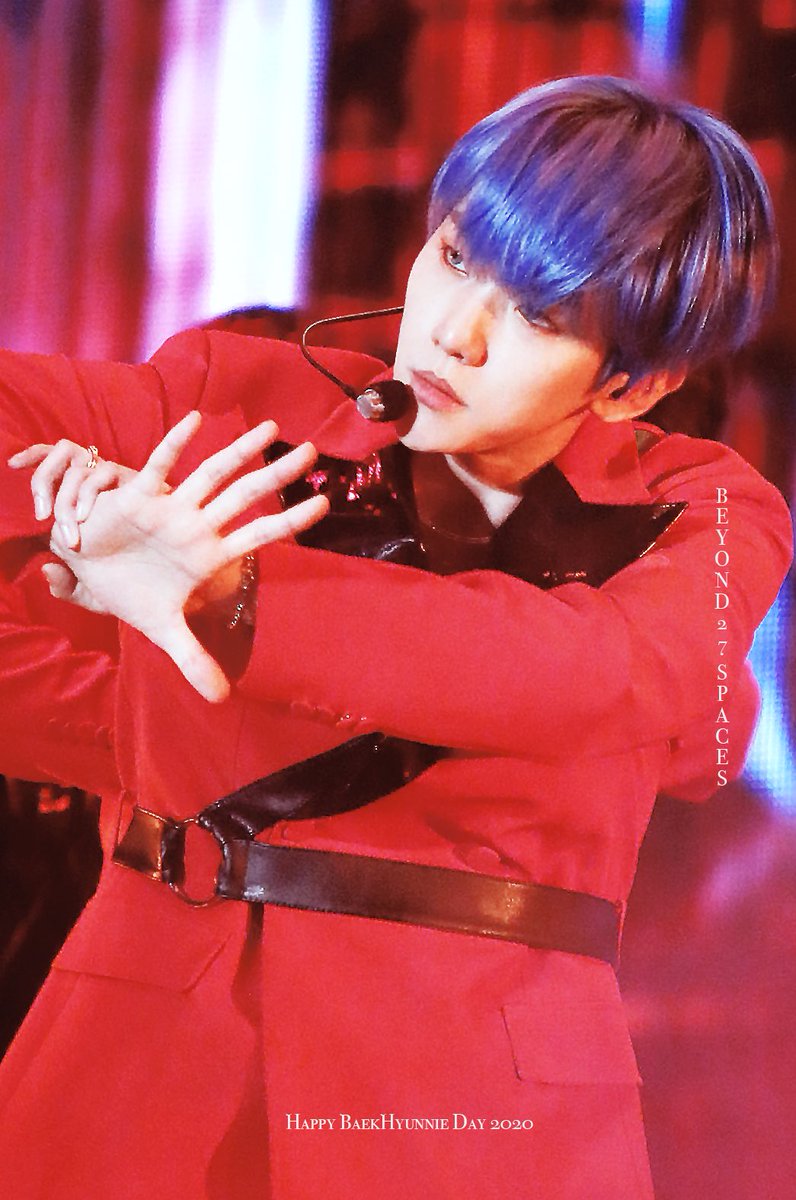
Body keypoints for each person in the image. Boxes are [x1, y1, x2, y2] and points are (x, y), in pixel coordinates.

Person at [0, 75, 791, 1200]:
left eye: (538, 315)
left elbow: (603, 674)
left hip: (475, 1109)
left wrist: (229, 604)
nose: (454, 335)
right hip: (139, 1065)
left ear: (632, 386)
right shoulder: (237, 397)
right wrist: (143, 688)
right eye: (456, 257)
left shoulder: (705, 509)